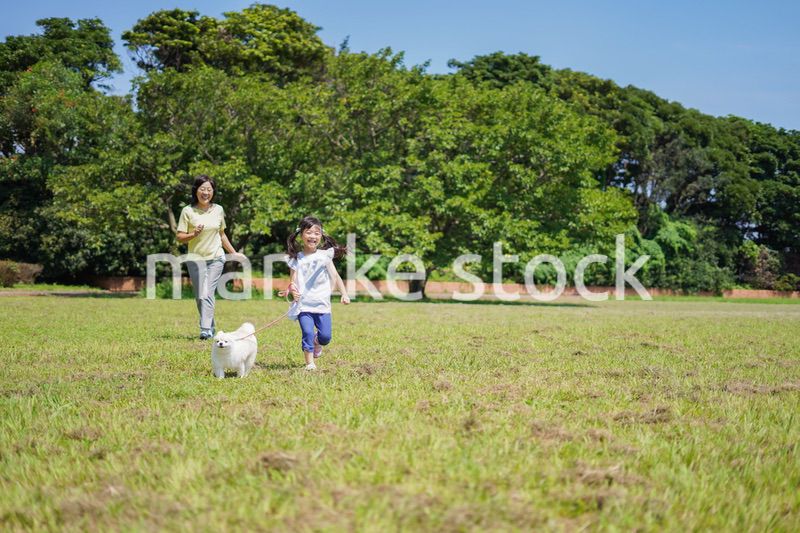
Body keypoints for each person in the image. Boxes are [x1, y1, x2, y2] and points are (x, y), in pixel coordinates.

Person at [176, 175, 239, 339]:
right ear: (196, 191)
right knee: (199, 295)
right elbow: (180, 237)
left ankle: (204, 329)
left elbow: (222, 234)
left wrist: (234, 253)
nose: (206, 192)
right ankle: (210, 327)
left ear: (213, 192)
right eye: (202, 189)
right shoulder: (187, 211)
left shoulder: (218, 209)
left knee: (207, 292)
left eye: (209, 189)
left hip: (216, 257)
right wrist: (193, 234)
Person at [285, 216, 349, 371]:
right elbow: (293, 280)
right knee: (307, 332)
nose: (313, 236)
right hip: (303, 305)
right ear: (301, 235)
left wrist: (344, 293)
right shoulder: (296, 258)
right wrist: (293, 290)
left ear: (321, 236)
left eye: (316, 233)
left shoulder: (325, 255)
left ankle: (317, 342)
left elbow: (335, 276)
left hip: (322, 304)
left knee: (325, 337)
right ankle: (310, 363)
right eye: (309, 232)